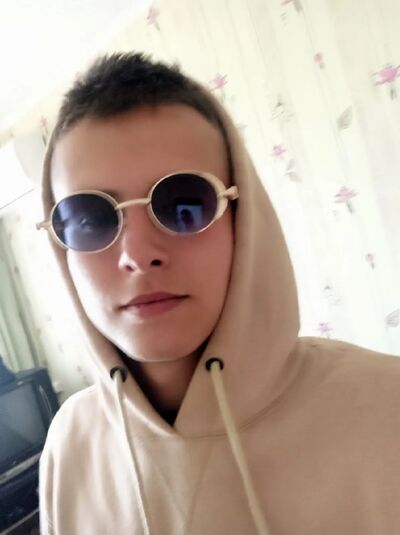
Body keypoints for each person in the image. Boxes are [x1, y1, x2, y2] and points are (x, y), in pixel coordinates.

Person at [37, 52, 400, 535]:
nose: (138, 255)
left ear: (244, 219)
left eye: (183, 206)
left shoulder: (386, 408)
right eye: (89, 219)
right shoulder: (69, 446)